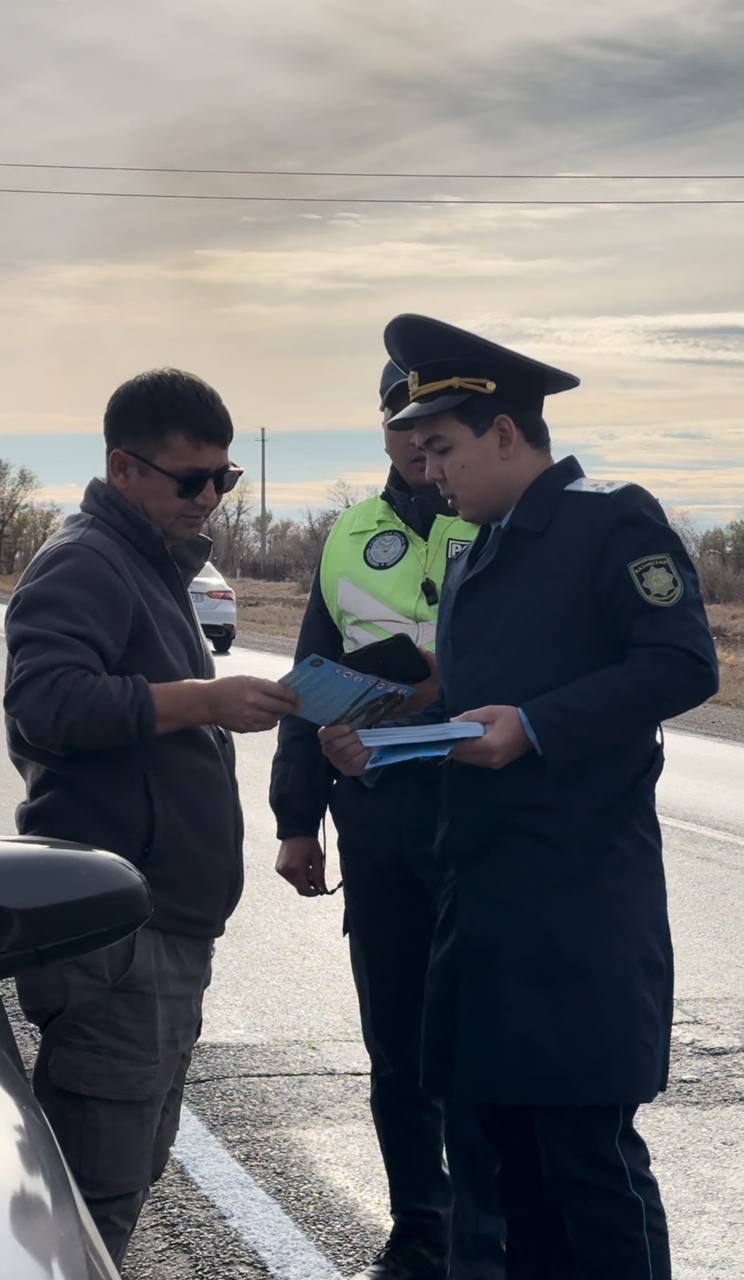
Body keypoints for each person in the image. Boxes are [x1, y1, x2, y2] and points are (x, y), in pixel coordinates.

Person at [320, 315, 719, 1280]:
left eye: (444, 449)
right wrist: (384, 728)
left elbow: (681, 662)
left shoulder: (609, 517)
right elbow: (467, 690)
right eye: (420, 452)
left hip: (576, 907)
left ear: (506, 433)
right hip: (484, 903)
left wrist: (535, 726)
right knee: (506, 1170)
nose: (430, 471)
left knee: (587, 1169)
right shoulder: (474, 551)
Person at [4, 368, 297, 1270]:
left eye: (226, 479)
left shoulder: (153, 561)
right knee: (85, 1208)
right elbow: (43, 705)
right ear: (123, 469)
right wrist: (201, 700)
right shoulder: (89, 559)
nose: (211, 497)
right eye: (190, 479)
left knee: (121, 1181)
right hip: (119, 945)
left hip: (162, 929)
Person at [270, 361, 505, 1279]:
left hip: (482, 811)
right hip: (379, 823)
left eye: (434, 424)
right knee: (397, 1043)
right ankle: (420, 1231)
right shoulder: (346, 535)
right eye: (400, 419)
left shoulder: (495, 519)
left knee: (485, 1038)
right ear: (381, 426)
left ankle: (490, 1237)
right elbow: (308, 679)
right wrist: (298, 820)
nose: (417, 439)